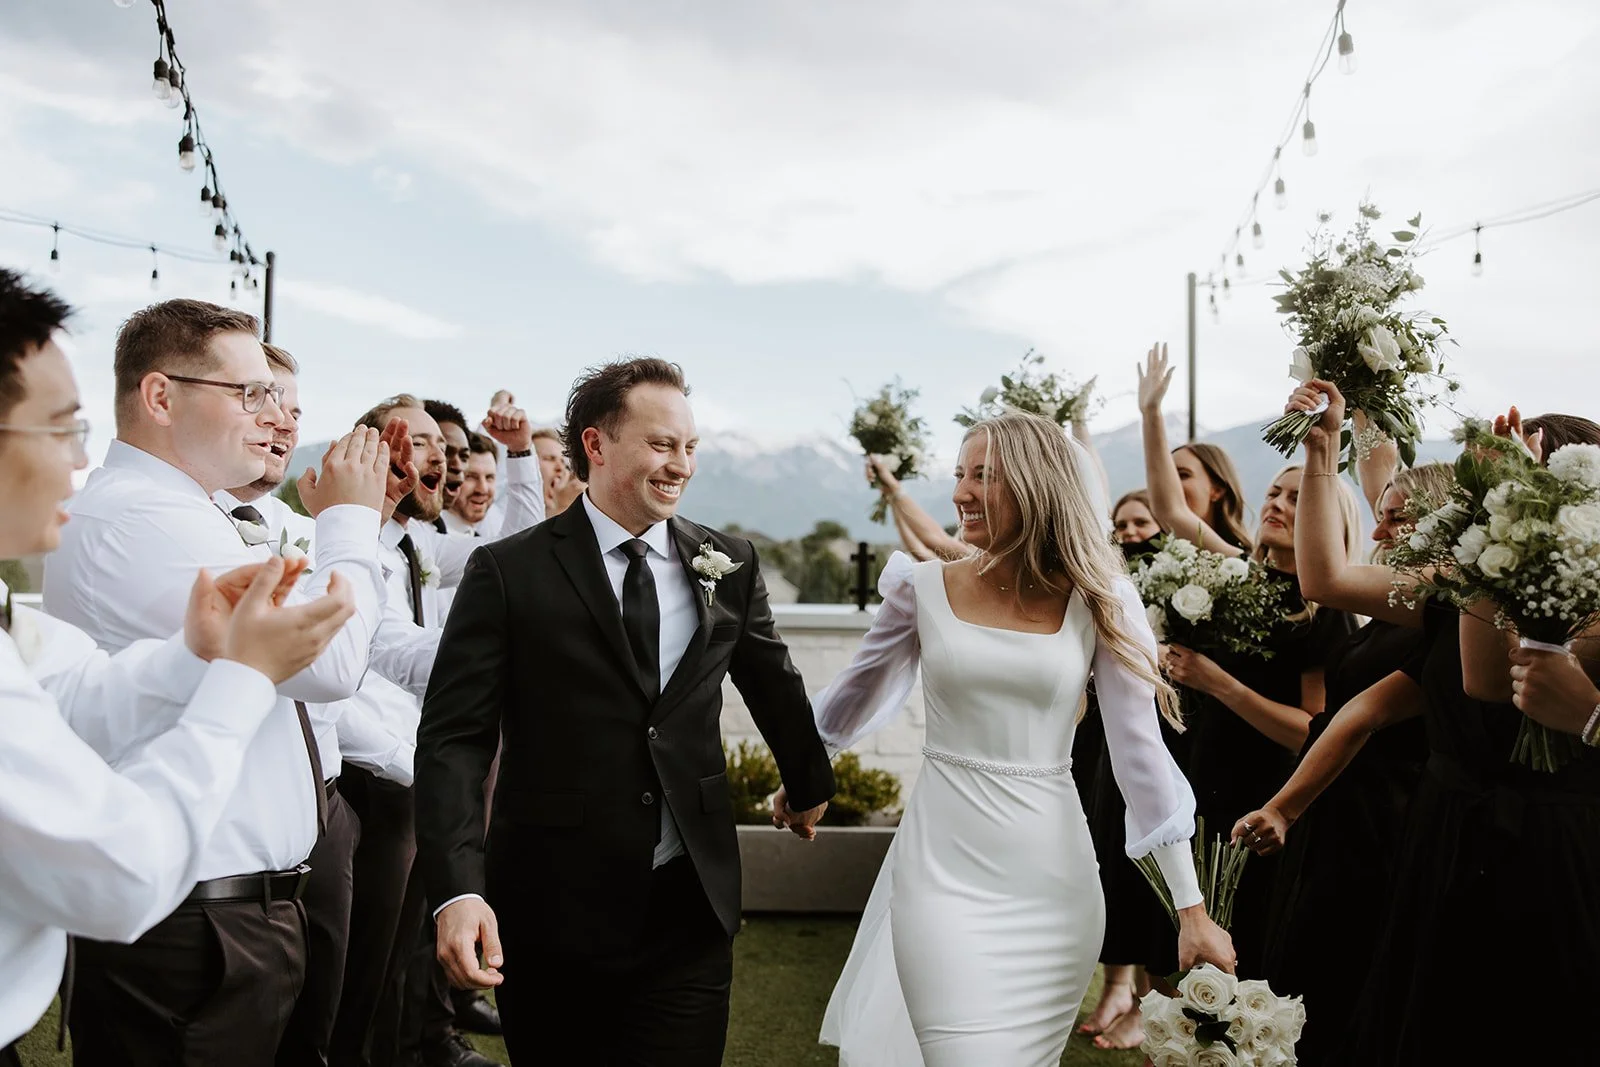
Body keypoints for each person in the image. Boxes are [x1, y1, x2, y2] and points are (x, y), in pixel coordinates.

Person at [415, 357, 837, 1066]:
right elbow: (455, 738)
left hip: (688, 904)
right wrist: (456, 889)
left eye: (690, 447)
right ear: (597, 444)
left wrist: (808, 781)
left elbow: (772, 679)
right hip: (551, 906)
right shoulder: (509, 571)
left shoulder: (726, 562)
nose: (681, 465)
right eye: (662, 444)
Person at [0, 270, 358, 1053]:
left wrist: (193, 650)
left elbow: (74, 696)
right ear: (164, 397)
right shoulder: (134, 513)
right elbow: (120, 873)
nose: (78, 460)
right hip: (182, 914)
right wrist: (239, 675)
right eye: (59, 429)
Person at [815, 410, 1233, 1066]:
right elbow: (854, 694)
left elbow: (1141, 758)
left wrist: (1190, 905)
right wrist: (808, 770)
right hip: (938, 878)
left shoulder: (1103, 600)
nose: (960, 491)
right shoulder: (918, 588)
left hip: (1053, 886)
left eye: (983, 475)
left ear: (1036, 484)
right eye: (958, 474)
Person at [1223, 380, 1444, 1066]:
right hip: (1332, 807)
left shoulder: (1441, 605)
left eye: (1398, 520)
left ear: (1439, 526)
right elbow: (1384, 473)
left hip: (1383, 821)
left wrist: (1325, 451)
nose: (1378, 531)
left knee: (1343, 986)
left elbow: (1358, 715)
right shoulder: (1402, 599)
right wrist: (1359, 385)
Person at [1137, 345, 1360, 977]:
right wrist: (1152, 414)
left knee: (1249, 961)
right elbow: (1171, 511)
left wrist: (1220, 685)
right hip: (1204, 781)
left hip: (1265, 804)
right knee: (1183, 954)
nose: (1278, 504)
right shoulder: (1240, 577)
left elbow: (1309, 734)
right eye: (1273, 491)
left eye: (1296, 497)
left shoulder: (1326, 616)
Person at [443, 433, 498, 537]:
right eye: (471, 477)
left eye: (489, 477)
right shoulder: (428, 536)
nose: (482, 489)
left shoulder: (478, 537)